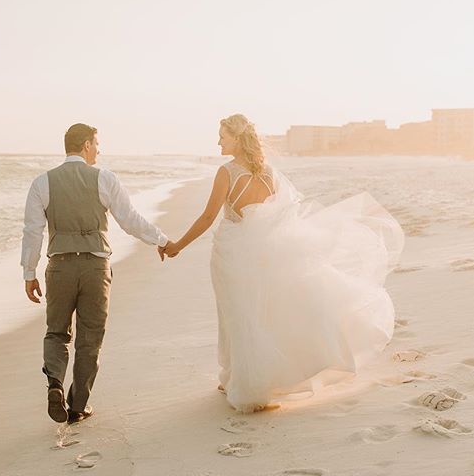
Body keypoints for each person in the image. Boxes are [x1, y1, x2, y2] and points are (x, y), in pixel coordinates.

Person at [162, 113, 404, 413]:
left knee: (236, 316)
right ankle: (239, 378)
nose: (218, 141)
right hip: (263, 252)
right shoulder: (268, 172)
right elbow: (280, 217)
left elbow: (209, 217)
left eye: (223, 136)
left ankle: (246, 387)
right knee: (258, 315)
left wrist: (178, 246)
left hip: (232, 252)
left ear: (237, 139)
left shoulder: (226, 172)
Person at [21, 123, 170, 423]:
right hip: (95, 266)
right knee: (90, 337)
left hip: (60, 266)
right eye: (97, 144)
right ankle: (77, 406)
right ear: (87, 144)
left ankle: (55, 384)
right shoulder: (104, 178)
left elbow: (32, 231)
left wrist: (29, 273)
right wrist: (162, 240)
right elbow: (129, 220)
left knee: (57, 332)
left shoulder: (42, 183)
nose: (99, 150)